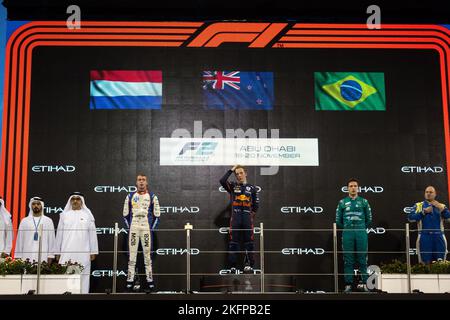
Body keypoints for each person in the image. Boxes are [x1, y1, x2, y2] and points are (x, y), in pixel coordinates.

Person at [55, 192, 98, 294]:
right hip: (67, 251)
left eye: (78, 199)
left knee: (83, 276)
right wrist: (57, 252)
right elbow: (59, 235)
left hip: (84, 252)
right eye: (73, 199)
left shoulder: (88, 215)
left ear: (81, 201)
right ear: (70, 201)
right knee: (66, 277)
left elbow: (92, 234)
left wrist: (93, 251)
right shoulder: (64, 215)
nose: (75, 201)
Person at [123, 174, 160, 292]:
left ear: (147, 182)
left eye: (143, 180)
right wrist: (130, 228)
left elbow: (157, 215)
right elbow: (125, 215)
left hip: (146, 229)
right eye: (139, 180)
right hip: (134, 228)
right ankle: (129, 282)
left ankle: (150, 283)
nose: (141, 182)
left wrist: (150, 229)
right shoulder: (130, 196)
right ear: (136, 183)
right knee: (132, 257)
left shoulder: (152, 196)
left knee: (147, 257)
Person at [220, 165, 259, 273]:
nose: (239, 175)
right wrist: (232, 169)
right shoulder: (232, 186)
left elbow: (256, 205)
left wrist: (250, 216)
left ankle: (249, 265)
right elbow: (222, 180)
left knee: (249, 243)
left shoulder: (252, 188)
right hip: (235, 219)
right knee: (233, 243)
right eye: (237, 174)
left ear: (245, 173)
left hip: (247, 218)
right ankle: (232, 266)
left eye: (241, 173)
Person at [336, 178, 372, 292]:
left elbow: (369, 219)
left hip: (361, 231)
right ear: (347, 188)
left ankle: (365, 284)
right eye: (351, 186)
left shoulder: (364, 201)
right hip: (347, 232)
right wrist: (348, 228)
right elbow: (338, 221)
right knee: (348, 259)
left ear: (358, 188)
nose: (353, 188)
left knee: (362, 258)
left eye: (355, 186)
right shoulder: (342, 202)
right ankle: (348, 284)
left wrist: (360, 227)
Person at [408, 186, 450, 264]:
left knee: (440, 263)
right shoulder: (418, 205)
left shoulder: (441, 205)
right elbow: (410, 218)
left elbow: (448, 218)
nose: (428, 194)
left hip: (439, 236)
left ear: (435, 194)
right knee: (424, 263)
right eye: (427, 192)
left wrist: (442, 209)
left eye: (431, 192)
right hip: (424, 237)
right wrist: (423, 212)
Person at [15, 197, 56, 263]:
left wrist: (50, 256)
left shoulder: (48, 221)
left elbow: (51, 240)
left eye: (38, 204)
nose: (36, 206)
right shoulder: (24, 221)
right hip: (27, 255)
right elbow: (20, 240)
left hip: (43, 255)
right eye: (33, 204)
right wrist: (18, 256)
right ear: (31, 206)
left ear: (42, 206)